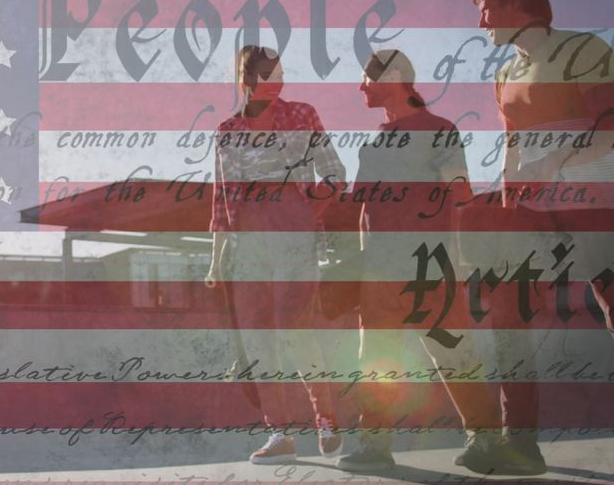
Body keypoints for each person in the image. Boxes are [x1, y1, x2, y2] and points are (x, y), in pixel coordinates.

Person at [461, 0, 614, 475]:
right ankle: (520, 443)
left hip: (594, 196)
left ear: (515, 4)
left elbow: (609, 125)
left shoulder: (583, 49)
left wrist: (551, 164)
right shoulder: (505, 74)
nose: (481, 24)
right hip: (531, 208)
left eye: (486, 10)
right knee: (508, 310)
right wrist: (509, 201)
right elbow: (511, 144)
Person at [333, 50, 504, 473]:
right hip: (379, 272)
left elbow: (460, 196)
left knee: (453, 351)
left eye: (366, 80)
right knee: (376, 357)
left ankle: (487, 441)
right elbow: (364, 210)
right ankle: (374, 446)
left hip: (431, 265)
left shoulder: (440, 130)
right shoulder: (373, 142)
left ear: (393, 77)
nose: (360, 88)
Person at [205, 45, 345, 464]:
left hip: (293, 233)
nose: (279, 81)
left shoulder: (302, 114)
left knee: (292, 328)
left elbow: (335, 172)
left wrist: (306, 212)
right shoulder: (226, 130)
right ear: (248, 80)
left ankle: (325, 417)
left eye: (282, 72)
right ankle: (279, 434)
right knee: (259, 339)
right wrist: (215, 262)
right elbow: (220, 199)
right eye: (270, 74)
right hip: (247, 241)